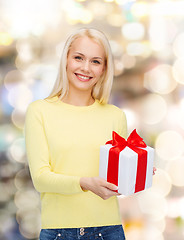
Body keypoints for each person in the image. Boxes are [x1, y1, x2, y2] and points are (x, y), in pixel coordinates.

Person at [25, 27, 128, 240]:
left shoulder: (115, 116)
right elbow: (41, 178)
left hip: (108, 231)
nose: (85, 68)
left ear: (104, 69)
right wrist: (84, 183)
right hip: (59, 233)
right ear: (66, 60)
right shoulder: (40, 111)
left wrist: (137, 171)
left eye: (96, 61)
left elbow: (117, 181)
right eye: (78, 58)